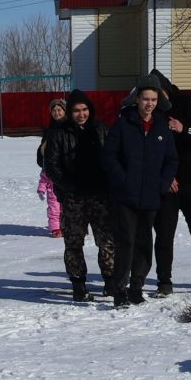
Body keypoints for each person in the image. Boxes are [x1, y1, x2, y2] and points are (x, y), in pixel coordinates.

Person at [136, 70, 191, 296]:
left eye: (160, 92)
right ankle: (164, 281)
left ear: (167, 88)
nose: (156, 99)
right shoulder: (150, 112)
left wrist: (184, 129)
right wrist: (165, 176)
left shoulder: (187, 101)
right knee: (164, 234)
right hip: (166, 184)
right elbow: (146, 151)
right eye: (152, 95)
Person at [99, 81, 178, 307]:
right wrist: (122, 180)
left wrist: (162, 183)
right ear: (137, 100)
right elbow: (109, 157)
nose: (149, 104)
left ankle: (136, 287)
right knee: (126, 242)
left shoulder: (162, 127)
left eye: (153, 100)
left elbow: (171, 160)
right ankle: (120, 289)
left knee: (144, 242)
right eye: (145, 99)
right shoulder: (124, 124)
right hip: (126, 196)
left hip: (151, 197)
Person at [37, 91, 115, 301]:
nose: (81, 114)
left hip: (100, 195)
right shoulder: (58, 133)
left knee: (107, 240)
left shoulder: (101, 130)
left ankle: (110, 281)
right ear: (70, 112)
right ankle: (79, 285)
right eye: (77, 111)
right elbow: (50, 165)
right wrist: (68, 186)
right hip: (73, 197)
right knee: (73, 242)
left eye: (85, 110)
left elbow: (113, 158)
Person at [34, 99, 66, 237]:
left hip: (66, 172)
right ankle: (56, 228)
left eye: (59, 110)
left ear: (65, 111)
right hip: (52, 171)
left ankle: (70, 226)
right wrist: (42, 159)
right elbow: (43, 148)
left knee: (69, 204)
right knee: (54, 205)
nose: (56, 113)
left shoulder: (69, 127)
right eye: (54, 110)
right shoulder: (50, 129)